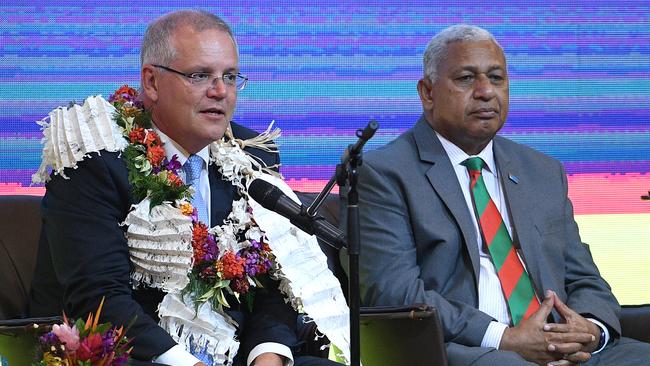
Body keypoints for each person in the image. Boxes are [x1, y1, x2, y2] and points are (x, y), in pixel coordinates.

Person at [29, 10, 345, 366]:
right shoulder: (94, 156)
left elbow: (277, 281)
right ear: (151, 82)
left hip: (238, 353)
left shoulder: (251, 153)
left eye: (229, 76)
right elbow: (100, 299)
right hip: (138, 355)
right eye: (200, 75)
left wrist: (268, 355)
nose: (220, 91)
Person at [353, 24, 650, 365]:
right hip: (468, 349)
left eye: (496, 78)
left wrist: (588, 329)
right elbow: (394, 292)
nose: (485, 92)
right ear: (428, 92)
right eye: (466, 78)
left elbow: (584, 277)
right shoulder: (384, 172)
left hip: (561, 347)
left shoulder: (542, 171)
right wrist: (505, 337)